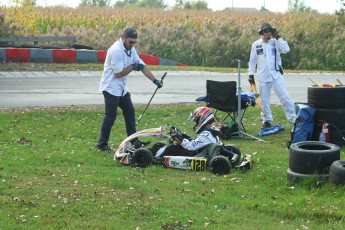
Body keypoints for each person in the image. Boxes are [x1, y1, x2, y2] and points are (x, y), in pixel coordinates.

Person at [97, 27, 163, 152]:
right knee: (110, 117)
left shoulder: (131, 50)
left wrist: (155, 81)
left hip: (121, 89)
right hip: (111, 88)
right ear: (124, 37)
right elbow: (118, 74)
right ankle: (102, 144)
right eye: (130, 42)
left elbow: (142, 66)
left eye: (134, 42)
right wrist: (133, 67)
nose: (132, 45)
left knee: (130, 112)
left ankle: (134, 141)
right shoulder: (116, 51)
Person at [248, 22, 296, 129]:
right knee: (264, 100)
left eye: (270, 31)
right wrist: (250, 74)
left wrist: (278, 37)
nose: (268, 34)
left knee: (284, 97)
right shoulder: (256, 44)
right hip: (263, 77)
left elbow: (286, 49)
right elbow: (252, 61)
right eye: (266, 31)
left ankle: (293, 119)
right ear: (262, 32)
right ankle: (267, 120)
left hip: (276, 75)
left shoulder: (276, 42)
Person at [153, 107, 221, 157]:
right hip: (201, 152)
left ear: (202, 119)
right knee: (171, 145)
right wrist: (182, 136)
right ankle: (155, 151)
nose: (196, 124)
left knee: (172, 148)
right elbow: (196, 143)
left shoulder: (206, 134)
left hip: (197, 156)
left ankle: (154, 157)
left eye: (196, 121)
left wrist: (178, 137)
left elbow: (190, 147)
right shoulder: (211, 131)